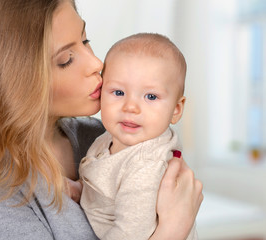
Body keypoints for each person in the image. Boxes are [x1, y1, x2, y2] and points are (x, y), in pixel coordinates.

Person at [0, 0, 203, 240]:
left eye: (85, 40)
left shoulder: (104, 135)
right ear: (13, 83)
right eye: (66, 60)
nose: (97, 63)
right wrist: (172, 229)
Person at [78, 33, 198, 240]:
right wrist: (74, 189)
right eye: (118, 92)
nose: (130, 107)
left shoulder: (146, 166)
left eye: (151, 96)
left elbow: (130, 234)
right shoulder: (107, 138)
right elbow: (102, 190)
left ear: (176, 110)